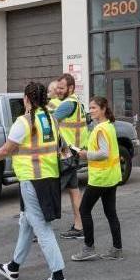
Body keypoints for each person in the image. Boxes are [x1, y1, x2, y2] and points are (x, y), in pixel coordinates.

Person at [0, 82, 68, 280]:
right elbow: (62, 148)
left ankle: (58, 277)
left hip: (32, 180)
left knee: (42, 228)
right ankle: (13, 267)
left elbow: (6, 150)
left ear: (28, 98)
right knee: (26, 221)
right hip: (49, 178)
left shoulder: (24, 121)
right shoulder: (52, 119)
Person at [71, 96, 123, 261]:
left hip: (100, 178)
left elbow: (103, 153)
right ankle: (117, 249)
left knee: (84, 210)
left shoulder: (101, 129)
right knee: (110, 213)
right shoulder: (108, 126)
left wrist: (86, 154)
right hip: (111, 177)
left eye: (94, 108)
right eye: (90, 108)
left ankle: (89, 248)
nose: (90, 111)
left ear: (103, 109)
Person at [53, 73, 86, 239]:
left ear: (70, 88)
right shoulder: (76, 103)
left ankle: (40, 229)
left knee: (51, 191)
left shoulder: (67, 105)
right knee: (74, 191)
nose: (58, 91)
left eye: (61, 88)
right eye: (57, 87)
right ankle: (80, 227)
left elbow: (49, 122)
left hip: (66, 155)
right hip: (73, 152)